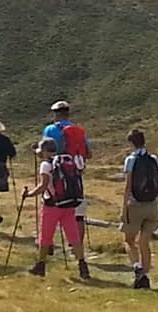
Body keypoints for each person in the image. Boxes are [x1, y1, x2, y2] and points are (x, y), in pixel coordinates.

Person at [24, 137, 90, 279]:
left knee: (45, 236)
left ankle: (40, 265)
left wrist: (29, 194)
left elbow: (43, 186)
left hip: (52, 206)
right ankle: (83, 266)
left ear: (44, 150)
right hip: (69, 204)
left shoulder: (46, 165)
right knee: (73, 236)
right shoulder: (66, 160)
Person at [42, 100, 92, 241]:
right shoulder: (78, 131)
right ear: (68, 113)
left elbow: (44, 151)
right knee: (78, 212)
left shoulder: (50, 130)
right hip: (75, 173)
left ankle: (48, 242)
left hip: (56, 174)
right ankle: (77, 244)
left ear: (56, 114)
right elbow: (88, 153)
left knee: (51, 208)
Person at [120, 129, 158, 290]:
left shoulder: (131, 160)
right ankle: (146, 276)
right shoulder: (153, 159)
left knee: (129, 240)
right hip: (152, 205)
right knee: (145, 242)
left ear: (131, 143)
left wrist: (124, 208)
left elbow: (128, 186)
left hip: (135, 205)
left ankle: (138, 268)